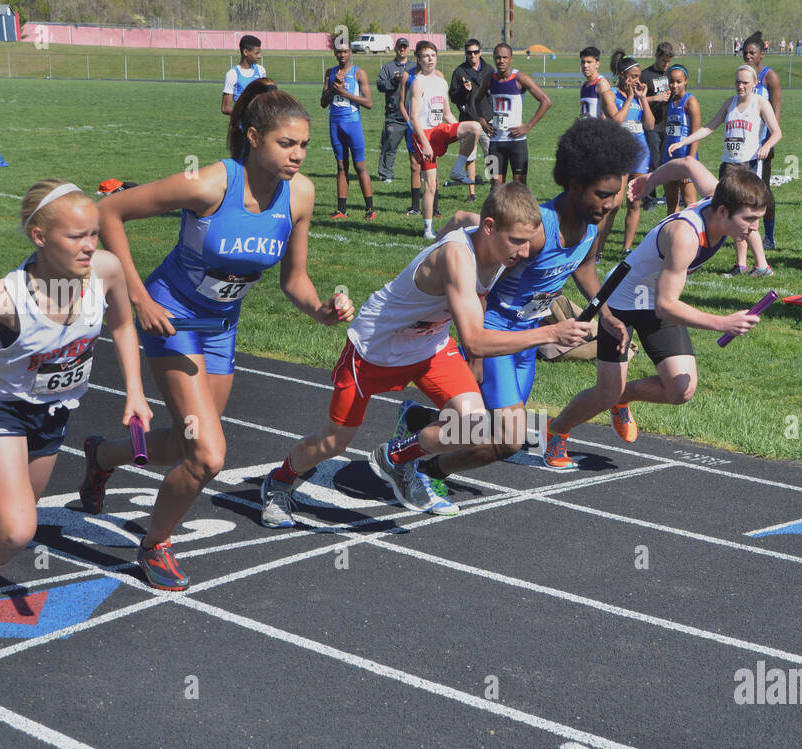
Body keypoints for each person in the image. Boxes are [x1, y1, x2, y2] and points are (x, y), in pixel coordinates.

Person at [82, 81, 354, 590]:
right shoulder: (209, 183)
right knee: (209, 455)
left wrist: (322, 311)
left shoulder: (301, 195)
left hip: (221, 330)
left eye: (303, 145)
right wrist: (138, 298)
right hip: (174, 320)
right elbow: (108, 212)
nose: (297, 155)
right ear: (253, 138)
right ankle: (154, 544)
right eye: (286, 144)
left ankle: (103, 455)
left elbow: (294, 280)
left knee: (189, 445)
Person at [258, 184, 591, 525]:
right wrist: (551, 333)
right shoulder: (458, 257)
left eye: (528, 241)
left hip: (429, 344)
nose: (524, 252)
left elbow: (462, 216)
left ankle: (397, 459)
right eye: (517, 242)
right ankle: (278, 483)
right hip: (377, 346)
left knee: (473, 425)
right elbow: (474, 341)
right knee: (333, 442)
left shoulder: (492, 235)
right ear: (490, 227)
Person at [0, 181, 151, 643]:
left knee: (12, 504)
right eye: (76, 236)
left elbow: (123, 323)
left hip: (51, 409)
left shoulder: (106, 270)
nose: (89, 246)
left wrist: (135, 392)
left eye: (94, 234)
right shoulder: (6, 301)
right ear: (39, 237)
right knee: (18, 527)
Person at [407, 118, 641, 480]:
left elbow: (586, 266)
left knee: (485, 423)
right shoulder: (536, 232)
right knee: (510, 438)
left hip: (528, 337)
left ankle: (416, 422)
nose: (610, 204)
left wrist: (608, 316)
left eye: (615, 196)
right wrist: (477, 353)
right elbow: (479, 275)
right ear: (575, 184)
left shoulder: (593, 224)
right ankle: (428, 471)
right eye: (603, 195)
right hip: (495, 331)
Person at [543, 162, 766, 466]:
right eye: (750, 220)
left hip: (655, 299)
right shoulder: (685, 236)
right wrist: (723, 323)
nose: (754, 228)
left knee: (681, 389)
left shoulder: (721, 195)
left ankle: (625, 396)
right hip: (621, 303)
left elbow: (688, 163)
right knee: (605, 392)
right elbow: (667, 306)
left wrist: (650, 179)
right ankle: (557, 430)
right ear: (724, 211)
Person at [674, 64, 780, 277]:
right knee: (733, 216)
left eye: (745, 82)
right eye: (738, 82)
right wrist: (684, 142)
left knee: (747, 217)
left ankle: (762, 265)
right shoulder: (729, 103)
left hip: (749, 164)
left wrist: (767, 146)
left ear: (755, 84)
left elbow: (777, 132)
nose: (740, 86)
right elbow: (709, 127)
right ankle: (741, 265)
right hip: (728, 165)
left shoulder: (760, 103)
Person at [409, 40, 482, 240]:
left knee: (475, 127)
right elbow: (414, 117)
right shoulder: (417, 82)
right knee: (431, 184)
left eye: (433, 55)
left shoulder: (441, 82)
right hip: (424, 135)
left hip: (440, 129)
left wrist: (460, 131)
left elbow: (448, 114)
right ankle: (428, 229)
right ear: (419, 59)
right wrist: (424, 143)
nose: (430, 59)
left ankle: (458, 168)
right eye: (425, 55)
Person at [471, 43, 553, 187]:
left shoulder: (519, 78)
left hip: (517, 141)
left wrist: (528, 126)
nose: (501, 61)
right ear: (493, 58)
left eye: (504, 57)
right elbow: (477, 100)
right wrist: (482, 121)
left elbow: (546, 101)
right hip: (495, 142)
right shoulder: (490, 78)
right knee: (494, 185)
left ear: (511, 59)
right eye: (498, 57)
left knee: (519, 186)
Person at [598, 52, 654, 257]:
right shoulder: (611, 94)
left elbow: (649, 124)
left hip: (640, 153)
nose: (637, 80)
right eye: (633, 77)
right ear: (622, 76)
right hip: (620, 154)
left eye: (638, 76)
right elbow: (617, 120)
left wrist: (643, 99)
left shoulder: (639, 96)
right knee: (614, 204)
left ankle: (627, 248)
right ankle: (598, 248)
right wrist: (630, 98)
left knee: (635, 202)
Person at [321, 39, 375, 220]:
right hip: (335, 123)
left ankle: (370, 209)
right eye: (338, 52)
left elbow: (369, 103)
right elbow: (323, 103)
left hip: (352, 123)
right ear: (335, 53)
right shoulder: (330, 73)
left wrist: (346, 94)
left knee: (360, 165)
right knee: (341, 167)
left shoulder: (359, 73)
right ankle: (341, 210)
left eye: (345, 51)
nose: (342, 55)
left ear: (350, 51)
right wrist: (333, 90)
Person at [742, 33, 782, 249]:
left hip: (762, 143)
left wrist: (770, 143)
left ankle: (769, 236)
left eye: (752, 52)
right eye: (745, 52)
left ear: (762, 54)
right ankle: (744, 232)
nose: (748, 56)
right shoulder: (742, 76)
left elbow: (776, 112)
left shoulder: (770, 77)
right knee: (742, 188)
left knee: (762, 189)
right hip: (743, 142)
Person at [449, 38, 494, 187]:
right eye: (469, 53)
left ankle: (495, 187)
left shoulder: (489, 70)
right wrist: (463, 89)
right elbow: (453, 97)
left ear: (480, 52)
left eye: (475, 52)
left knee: (492, 157)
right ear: (466, 54)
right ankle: (472, 192)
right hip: (468, 121)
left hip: (488, 121)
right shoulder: (459, 72)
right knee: (469, 158)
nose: (472, 55)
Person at [662, 65, 701, 213]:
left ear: (685, 81)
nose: (674, 85)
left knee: (690, 204)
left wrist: (689, 163)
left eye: (678, 81)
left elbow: (696, 136)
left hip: (686, 157)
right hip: (669, 158)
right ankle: (672, 234)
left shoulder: (690, 102)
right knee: (671, 204)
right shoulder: (668, 104)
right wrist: (662, 158)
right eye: (671, 82)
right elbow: (667, 133)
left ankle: (693, 235)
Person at [641, 41, 676, 203]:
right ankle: (649, 197)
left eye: (668, 61)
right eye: (664, 61)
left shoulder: (671, 74)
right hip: (652, 125)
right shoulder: (645, 75)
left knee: (669, 160)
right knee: (653, 161)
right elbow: (637, 99)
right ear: (656, 56)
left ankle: (674, 195)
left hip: (669, 125)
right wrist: (656, 98)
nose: (666, 65)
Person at [376, 38, 412, 183]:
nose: (402, 49)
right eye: (400, 47)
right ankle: (386, 174)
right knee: (389, 146)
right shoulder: (388, 67)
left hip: (413, 115)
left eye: (404, 47)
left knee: (417, 149)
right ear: (395, 48)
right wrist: (393, 80)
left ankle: (421, 173)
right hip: (394, 115)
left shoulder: (415, 66)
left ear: (408, 49)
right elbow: (380, 85)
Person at [222, 35, 266, 116]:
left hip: (260, 125)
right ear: (245, 52)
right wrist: (245, 115)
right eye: (256, 53)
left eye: (260, 53)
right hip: (242, 127)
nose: (259, 56)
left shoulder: (261, 71)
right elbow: (225, 108)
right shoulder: (232, 74)